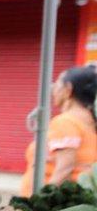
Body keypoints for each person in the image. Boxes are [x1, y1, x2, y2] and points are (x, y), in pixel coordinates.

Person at [20, 66, 97, 196]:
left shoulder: (66, 122)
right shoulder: (89, 121)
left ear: (68, 89)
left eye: (56, 85)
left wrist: (40, 201)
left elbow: (64, 170)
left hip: (53, 209)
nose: (53, 90)